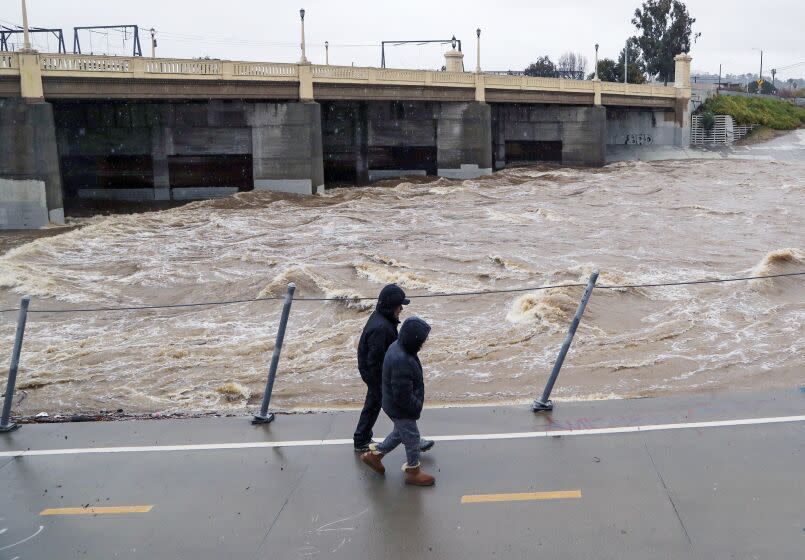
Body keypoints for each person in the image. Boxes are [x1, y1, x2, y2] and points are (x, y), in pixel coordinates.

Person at [353, 284, 434, 454]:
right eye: (399, 305)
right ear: (391, 307)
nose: (402, 309)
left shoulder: (383, 320)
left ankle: (361, 438)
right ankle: (413, 439)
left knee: (374, 404)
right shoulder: (382, 328)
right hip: (376, 373)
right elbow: (375, 360)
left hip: (374, 371)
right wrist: (384, 382)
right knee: (399, 410)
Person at [361, 316, 435, 486]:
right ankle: (413, 471)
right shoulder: (402, 360)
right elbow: (402, 395)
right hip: (401, 408)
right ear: (413, 341)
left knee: (400, 433)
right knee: (412, 437)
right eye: (422, 341)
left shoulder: (398, 347)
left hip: (392, 403)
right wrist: (415, 407)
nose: (423, 344)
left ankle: (375, 455)